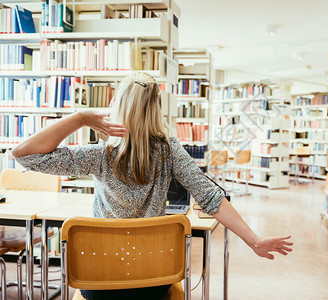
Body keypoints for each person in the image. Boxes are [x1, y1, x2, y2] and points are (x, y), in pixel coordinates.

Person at [12, 72, 293, 300]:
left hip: (98, 282)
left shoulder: (99, 155)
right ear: (157, 108)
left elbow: (23, 154)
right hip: (154, 281)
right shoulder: (168, 150)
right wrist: (253, 240)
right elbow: (210, 197)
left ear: (119, 106)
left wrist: (80, 118)